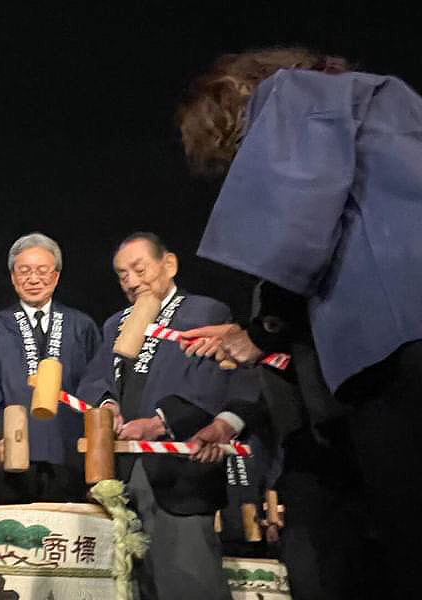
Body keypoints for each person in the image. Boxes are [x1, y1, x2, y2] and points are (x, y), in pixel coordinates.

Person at [177, 47, 422, 599]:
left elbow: (300, 221)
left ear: (235, 97)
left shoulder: (288, 97)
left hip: (388, 337)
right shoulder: (387, 95)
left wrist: (259, 331)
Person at [77, 232, 260, 600]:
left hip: (181, 470)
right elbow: (96, 378)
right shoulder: (116, 324)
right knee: (134, 585)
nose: (131, 280)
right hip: (124, 471)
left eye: (139, 268)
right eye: (122, 274)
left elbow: (213, 384)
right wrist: (109, 406)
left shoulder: (206, 313)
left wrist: (161, 421)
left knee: (188, 582)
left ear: (169, 264)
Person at [0, 232, 100, 504]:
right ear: (13, 277)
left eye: (42, 271)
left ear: (56, 276)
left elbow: (95, 386)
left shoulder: (81, 325)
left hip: (69, 455)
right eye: (24, 271)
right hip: (9, 455)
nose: (34, 279)